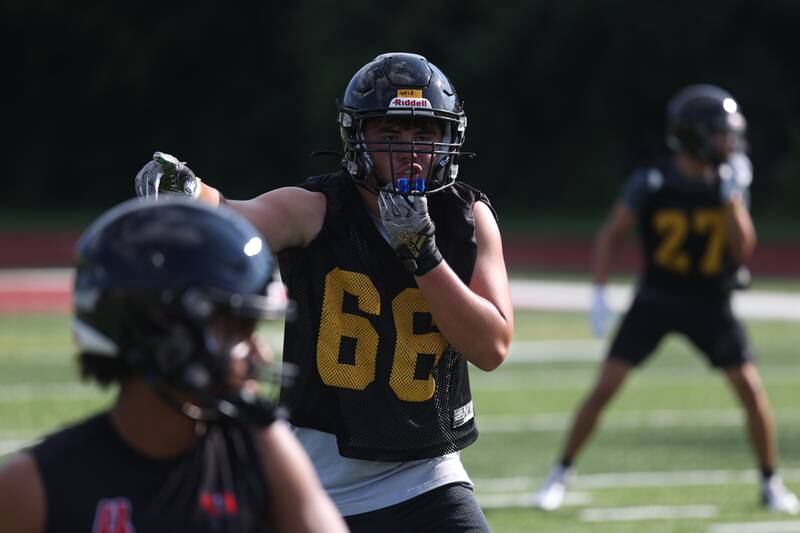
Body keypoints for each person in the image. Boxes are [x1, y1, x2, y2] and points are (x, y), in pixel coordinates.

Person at [132, 52, 514, 532]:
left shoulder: (468, 219)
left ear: (447, 138)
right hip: (316, 485)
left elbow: (492, 346)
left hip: (426, 478)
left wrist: (424, 255)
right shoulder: (315, 210)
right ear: (357, 139)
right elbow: (235, 218)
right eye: (389, 135)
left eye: (423, 134)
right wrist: (189, 193)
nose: (408, 151)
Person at [0, 198, 347, 533]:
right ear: (159, 330)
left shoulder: (262, 449)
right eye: (236, 329)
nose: (260, 354)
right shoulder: (35, 486)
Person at [533, 84, 799, 514]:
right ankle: (559, 474)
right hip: (657, 298)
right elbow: (611, 234)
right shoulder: (654, 180)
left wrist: (730, 197)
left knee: (750, 389)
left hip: (711, 302)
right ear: (694, 135)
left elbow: (743, 249)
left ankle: (771, 482)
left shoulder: (729, 180)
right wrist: (600, 290)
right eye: (719, 134)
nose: (728, 143)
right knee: (605, 387)